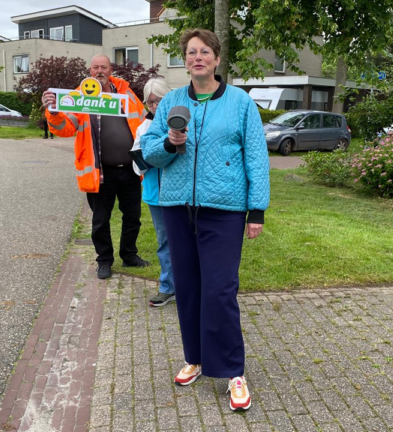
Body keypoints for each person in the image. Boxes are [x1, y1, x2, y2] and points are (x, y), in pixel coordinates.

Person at [140, 29, 270, 411]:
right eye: (191, 52)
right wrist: (168, 144)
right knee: (189, 288)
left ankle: (233, 371)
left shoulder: (241, 103)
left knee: (220, 290)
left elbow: (256, 158)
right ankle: (195, 358)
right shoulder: (172, 102)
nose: (198, 57)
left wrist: (256, 210)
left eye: (205, 52)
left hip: (225, 209)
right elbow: (149, 150)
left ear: (216, 59)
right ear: (185, 59)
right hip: (177, 207)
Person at [42, 54, 150, 280]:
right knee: (101, 220)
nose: (99, 71)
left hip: (130, 170)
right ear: (89, 71)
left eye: (104, 67)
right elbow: (65, 128)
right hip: (101, 172)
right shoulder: (77, 97)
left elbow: (143, 123)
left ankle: (129, 255)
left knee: (133, 217)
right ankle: (104, 261)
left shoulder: (125, 93)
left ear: (111, 69)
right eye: (95, 67)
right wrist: (52, 111)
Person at [130, 77, 176, 307]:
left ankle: (190, 285)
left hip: (181, 193)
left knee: (188, 239)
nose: (155, 106)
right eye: (150, 102)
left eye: (159, 100)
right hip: (156, 195)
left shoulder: (180, 122)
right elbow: (136, 165)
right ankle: (168, 287)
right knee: (164, 242)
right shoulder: (143, 127)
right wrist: (150, 158)